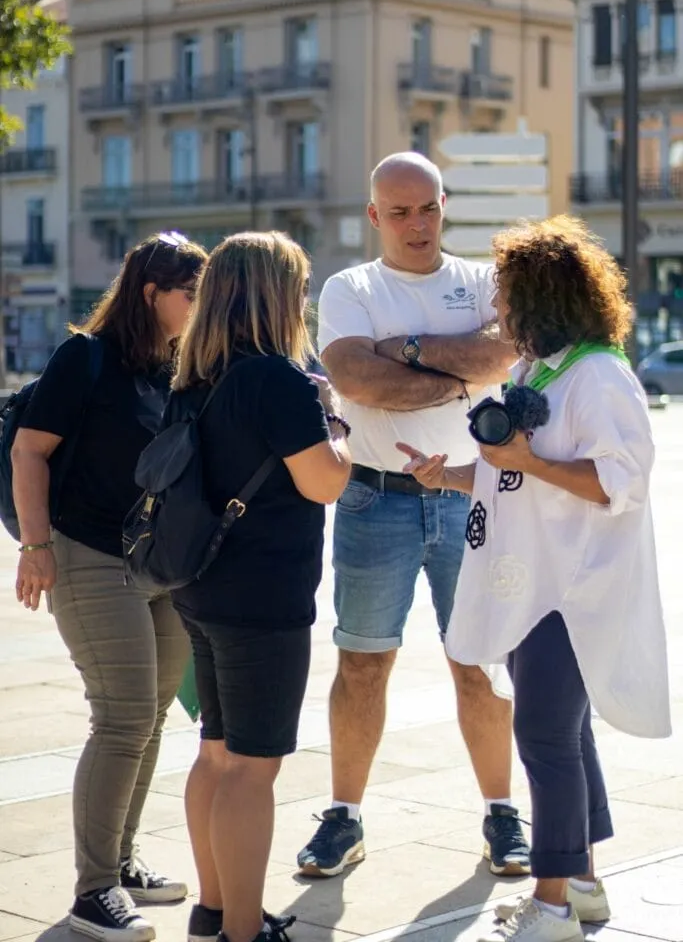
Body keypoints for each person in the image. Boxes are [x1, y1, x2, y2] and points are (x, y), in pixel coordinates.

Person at [400, 216, 671, 942]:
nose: (496, 309)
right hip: (533, 587)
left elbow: (621, 481)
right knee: (565, 735)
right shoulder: (539, 370)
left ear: (542, 297)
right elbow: (511, 476)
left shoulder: (599, 375)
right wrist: (449, 476)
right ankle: (581, 885)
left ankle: (550, 908)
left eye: (505, 295)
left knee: (545, 738)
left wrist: (529, 461)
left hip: (574, 590)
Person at [297, 152, 530, 880]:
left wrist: (408, 350)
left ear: (443, 205)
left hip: (473, 499)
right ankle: (343, 817)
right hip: (376, 499)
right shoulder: (351, 287)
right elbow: (357, 379)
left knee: (480, 663)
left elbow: (504, 355)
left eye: (428, 207)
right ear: (375, 216)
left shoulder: (483, 282)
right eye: (399, 212)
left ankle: (502, 815)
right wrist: (457, 377)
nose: (417, 224)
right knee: (363, 664)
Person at [13, 232, 208, 942]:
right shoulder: (85, 357)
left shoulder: (178, 366)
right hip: (89, 554)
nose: (199, 307)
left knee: (150, 717)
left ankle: (120, 863)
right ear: (152, 294)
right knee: (121, 717)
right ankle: (93, 892)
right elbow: (29, 450)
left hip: (158, 562)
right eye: (191, 294)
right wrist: (36, 546)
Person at [169, 231, 352, 942]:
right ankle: (243, 932)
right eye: (299, 288)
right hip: (264, 598)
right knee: (252, 767)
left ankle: (213, 911)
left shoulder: (194, 379)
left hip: (200, 587)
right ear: (275, 295)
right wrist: (335, 422)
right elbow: (324, 482)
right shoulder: (278, 380)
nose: (304, 302)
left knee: (216, 752)